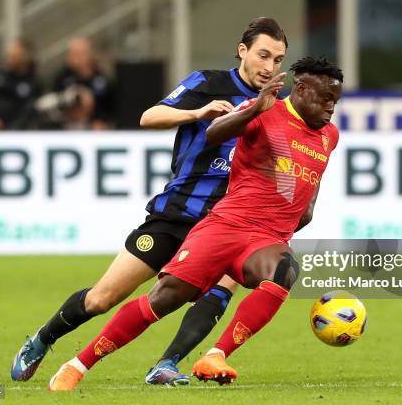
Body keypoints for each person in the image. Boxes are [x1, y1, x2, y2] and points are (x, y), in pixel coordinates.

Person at [11, 17, 288, 386]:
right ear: (243, 51)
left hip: (227, 222)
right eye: (263, 55)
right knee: (101, 299)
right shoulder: (208, 84)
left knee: (223, 286)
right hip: (176, 215)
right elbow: (149, 116)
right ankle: (44, 338)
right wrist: (198, 113)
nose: (269, 67)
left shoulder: (275, 106)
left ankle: (167, 364)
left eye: (278, 60)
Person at [46, 56, 343, 390]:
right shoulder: (263, 109)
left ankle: (216, 354)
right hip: (226, 225)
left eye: (336, 100)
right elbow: (215, 133)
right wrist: (254, 109)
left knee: (284, 271)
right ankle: (78, 364)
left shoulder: (329, 135)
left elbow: (312, 184)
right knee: (165, 297)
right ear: (301, 89)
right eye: (325, 98)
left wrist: (303, 214)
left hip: (266, 239)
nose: (331, 107)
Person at [0, 38, 42, 130]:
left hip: (14, 132)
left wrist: (10, 129)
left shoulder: (34, 83)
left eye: (14, 57)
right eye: (9, 56)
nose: (9, 59)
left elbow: (27, 112)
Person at [50, 37, 115, 130]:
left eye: (83, 53)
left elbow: (110, 105)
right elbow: (54, 103)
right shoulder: (61, 79)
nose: (79, 58)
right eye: (75, 54)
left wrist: (101, 120)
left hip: (96, 128)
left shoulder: (101, 79)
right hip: (66, 127)